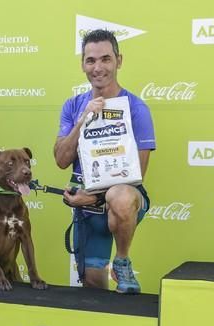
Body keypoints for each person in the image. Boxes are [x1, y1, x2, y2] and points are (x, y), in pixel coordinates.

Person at [53, 29, 156, 294]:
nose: (98, 67)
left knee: (120, 197)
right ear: (83, 64)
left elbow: (137, 175)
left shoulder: (136, 108)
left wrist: (96, 198)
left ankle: (122, 260)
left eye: (105, 59)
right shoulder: (73, 106)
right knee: (93, 288)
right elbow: (61, 160)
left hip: (121, 198)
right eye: (91, 60)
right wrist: (82, 122)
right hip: (86, 205)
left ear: (118, 61)